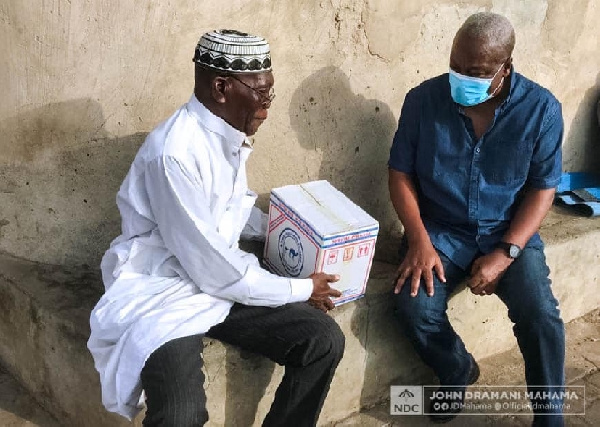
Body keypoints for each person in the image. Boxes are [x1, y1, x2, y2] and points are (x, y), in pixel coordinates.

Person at [87, 29, 344, 426]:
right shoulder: (174, 154)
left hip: (216, 277)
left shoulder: (226, 134)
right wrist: (301, 287)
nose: (267, 107)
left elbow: (227, 213)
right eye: (261, 94)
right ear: (222, 87)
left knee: (322, 341)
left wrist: (291, 228)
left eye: (269, 94)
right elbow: (212, 266)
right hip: (166, 291)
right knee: (181, 415)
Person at [388, 12, 565, 426]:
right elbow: (400, 173)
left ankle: (551, 416)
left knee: (540, 313)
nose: (462, 78)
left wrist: (506, 253)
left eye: (477, 72)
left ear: (505, 67)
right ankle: (456, 369)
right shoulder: (422, 100)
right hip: (439, 231)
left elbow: (543, 188)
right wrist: (418, 240)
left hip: (509, 231)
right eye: (455, 66)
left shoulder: (541, 110)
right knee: (412, 306)